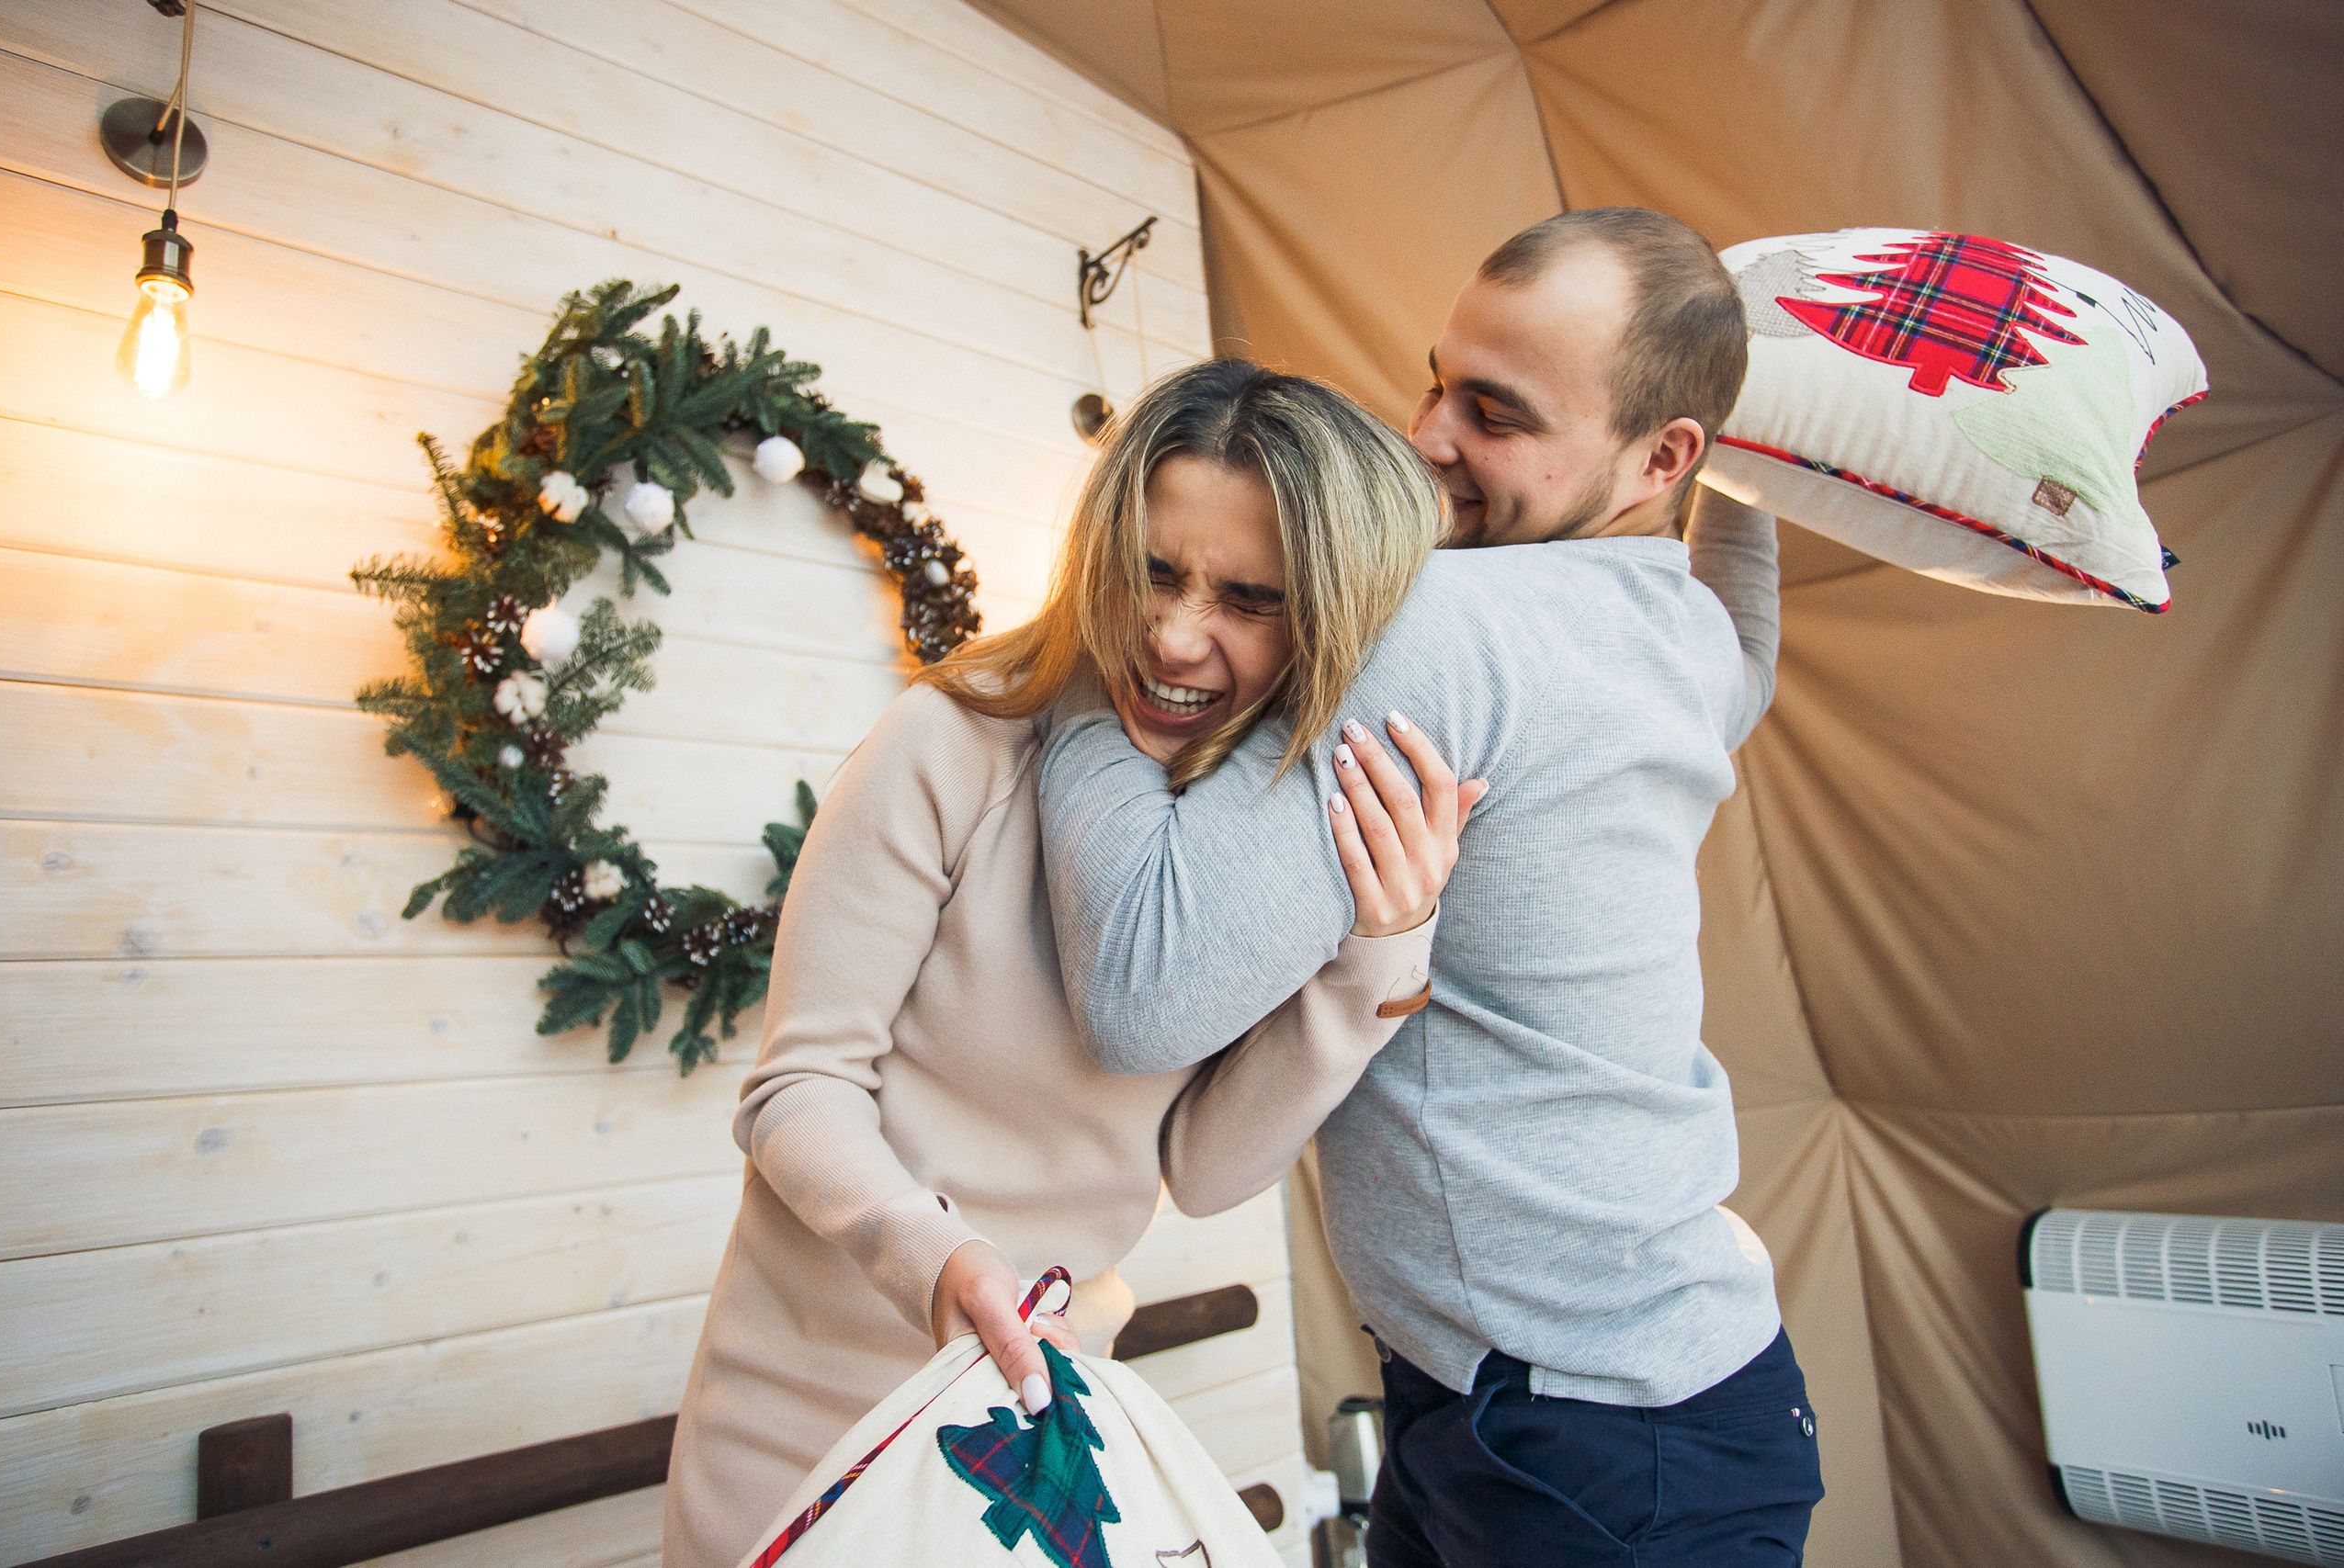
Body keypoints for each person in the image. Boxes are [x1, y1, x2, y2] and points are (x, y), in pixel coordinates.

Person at [1036, 207, 1819, 1565]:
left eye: (1496, 414)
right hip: (1619, 1403)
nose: (1426, 437)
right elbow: (1748, 645)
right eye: (1438, 381)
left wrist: (1084, 664)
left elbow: (1143, 992)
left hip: (1588, 1453)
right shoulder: (1684, 632)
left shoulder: (1452, 629)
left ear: (1663, 455)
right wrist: (1751, 479)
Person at [661, 360, 1488, 1568]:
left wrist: (1378, 956)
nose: (1173, 633)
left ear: (1330, 615)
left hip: (1036, 1437)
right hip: (811, 1430)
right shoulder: (953, 740)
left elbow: (1205, 1170)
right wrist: (932, 1256)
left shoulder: (1259, 831)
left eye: (1248, 597)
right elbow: (798, 1089)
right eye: (1155, 569)